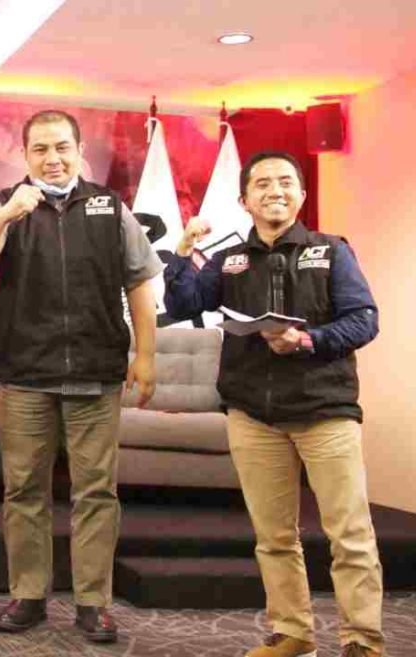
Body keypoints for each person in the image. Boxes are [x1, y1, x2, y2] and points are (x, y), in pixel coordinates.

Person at [164, 151, 383, 657]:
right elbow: (183, 304)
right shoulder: (229, 259)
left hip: (325, 411)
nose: (274, 190)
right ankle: (292, 633)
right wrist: (183, 250)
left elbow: (364, 319)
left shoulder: (331, 251)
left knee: (350, 534)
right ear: (245, 200)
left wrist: (307, 341)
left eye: (285, 181)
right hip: (253, 416)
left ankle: (363, 640)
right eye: (261, 183)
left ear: (301, 194)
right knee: (274, 537)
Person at [0, 110, 161, 644]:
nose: (52, 159)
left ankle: (93, 602)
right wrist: (8, 214)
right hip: (25, 375)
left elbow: (141, 280)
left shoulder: (109, 207)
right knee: (24, 489)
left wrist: (146, 355)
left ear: (79, 151)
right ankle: (28, 594)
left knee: (96, 492)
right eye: (40, 149)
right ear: (25, 155)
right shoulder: (5, 202)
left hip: (96, 375)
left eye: (62, 148)